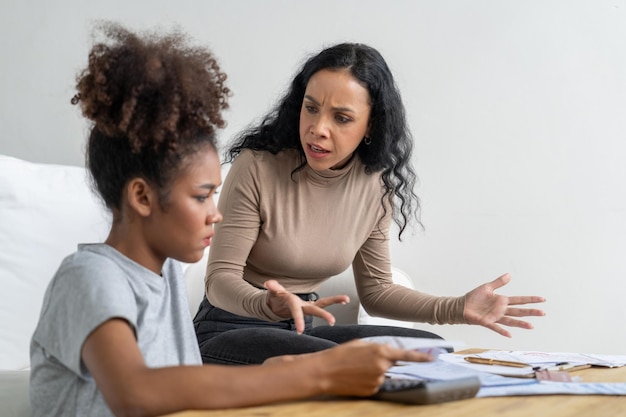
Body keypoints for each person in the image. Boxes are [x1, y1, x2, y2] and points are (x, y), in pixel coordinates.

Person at [29, 24, 433, 417]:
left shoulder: (161, 277)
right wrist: (307, 373)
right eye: (203, 196)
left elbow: (181, 396)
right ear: (142, 197)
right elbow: (135, 394)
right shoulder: (90, 277)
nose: (216, 213)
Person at [193, 42, 546, 365]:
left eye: (341, 118)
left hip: (300, 333)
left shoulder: (374, 186)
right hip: (227, 331)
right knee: (345, 362)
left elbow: (376, 292)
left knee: (431, 351)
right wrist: (267, 304)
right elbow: (220, 279)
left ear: (371, 125)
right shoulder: (257, 167)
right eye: (311, 108)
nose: (318, 128)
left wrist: (458, 308)